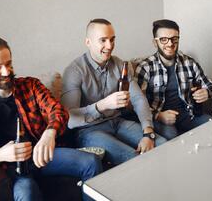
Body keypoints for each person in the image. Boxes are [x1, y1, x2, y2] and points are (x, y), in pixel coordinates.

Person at [0, 37, 102, 201]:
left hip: (43, 154)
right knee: (27, 193)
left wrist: (49, 133)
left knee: (91, 162)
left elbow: (58, 111)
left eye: (9, 64)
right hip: (11, 167)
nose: (7, 71)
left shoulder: (31, 85)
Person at [61, 18, 166, 165]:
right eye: (103, 40)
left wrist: (148, 133)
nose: (109, 46)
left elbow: (138, 99)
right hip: (89, 131)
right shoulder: (74, 71)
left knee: (163, 145)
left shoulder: (119, 64)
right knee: (133, 159)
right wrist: (102, 105)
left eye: (112, 39)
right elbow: (69, 119)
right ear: (88, 42)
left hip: (118, 122)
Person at [135, 19, 212, 140]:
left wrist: (207, 92)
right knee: (171, 136)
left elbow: (211, 86)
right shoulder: (145, 67)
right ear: (154, 42)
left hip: (189, 115)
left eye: (174, 39)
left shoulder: (189, 63)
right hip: (161, 118)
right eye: (163, 39)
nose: (170, 44)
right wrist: (158, 116)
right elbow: (137, 104)